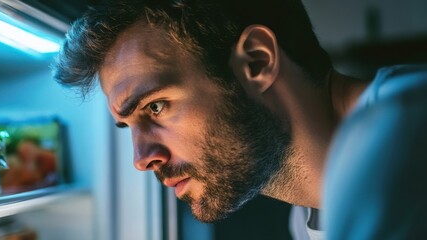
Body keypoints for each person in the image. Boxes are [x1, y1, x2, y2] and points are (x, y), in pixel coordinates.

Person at [50, 0, 427, 239]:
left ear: (257, 61)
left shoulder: (410, 134)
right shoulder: (307, 217)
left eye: (155, 107)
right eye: (128, 125)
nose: (142, 158)